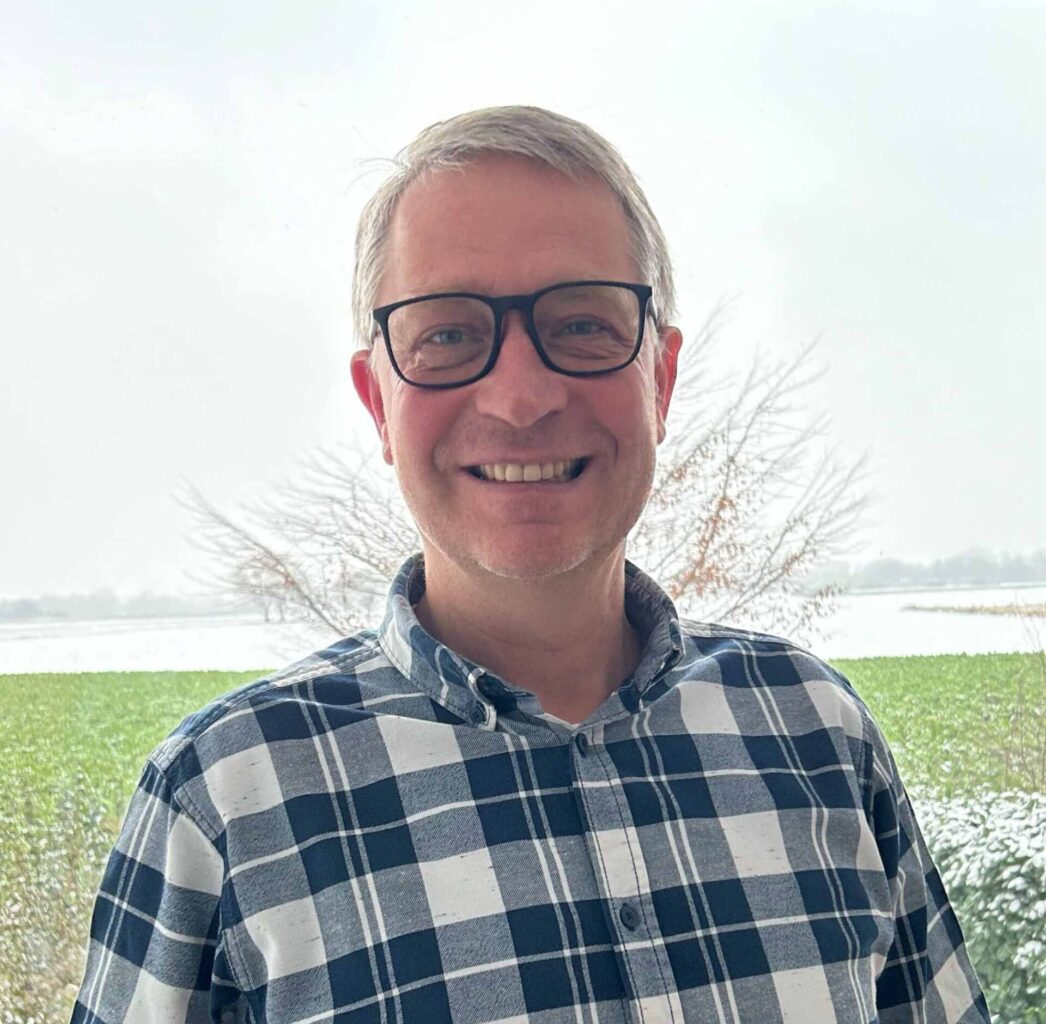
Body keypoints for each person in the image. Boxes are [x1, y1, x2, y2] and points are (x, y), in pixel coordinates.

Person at [72, 106, 989, 1024]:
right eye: (447, 336)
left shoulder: (816, 731)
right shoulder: (224, 801)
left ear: (661, 381)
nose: (519, 398)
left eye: (582, 324)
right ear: (377, 402)